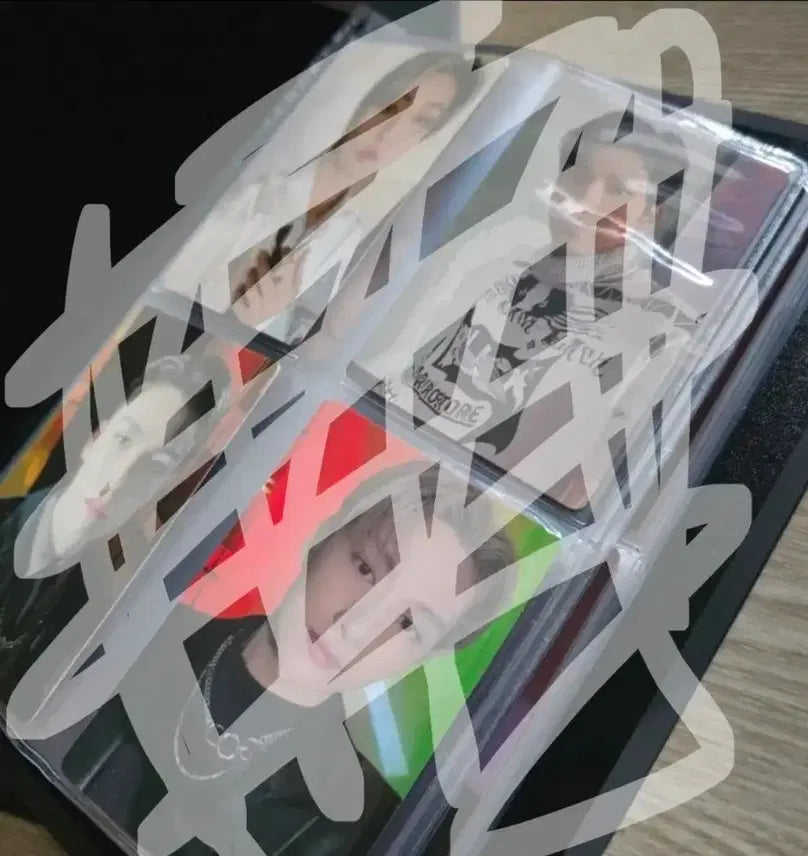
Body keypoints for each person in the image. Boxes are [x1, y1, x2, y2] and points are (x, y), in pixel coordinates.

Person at [59, 462, 516, 855]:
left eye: (406, 623)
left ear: (423, 658)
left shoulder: (350, 822)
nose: (355, 624)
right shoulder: (139, 633)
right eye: (366, 568)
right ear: (326, 534)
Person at [380, 109, 704, 511]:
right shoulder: (490, 258)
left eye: (618, 189)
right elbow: (395, 361)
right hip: (376, 456)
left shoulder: (664, 330)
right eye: (578, 177)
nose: (584, 202)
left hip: (473, 517)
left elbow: (589, 489)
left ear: (652, 215)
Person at [0, 353, 234, 706]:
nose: (119, 479)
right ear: (96, 436)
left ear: (161, 488)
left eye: (154, 465)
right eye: (124, 439)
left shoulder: (93, 616)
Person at [226, 50, 483, 343]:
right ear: (362, 99)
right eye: (389, 105)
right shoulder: (249, 192)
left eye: (421, 121)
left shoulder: (347, 233)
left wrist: (258, 323)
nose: (389, 133)